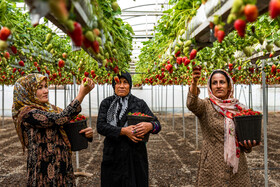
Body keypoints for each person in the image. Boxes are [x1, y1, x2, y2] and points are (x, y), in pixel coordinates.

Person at [12, 73, 94, 186]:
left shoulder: (51, 109)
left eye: (46, 86)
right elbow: (59, 119)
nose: (46, 90)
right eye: (39, 87)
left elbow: (67, 125)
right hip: (43, 171)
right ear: (27, 91)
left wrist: (86, 134)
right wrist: (81, 95)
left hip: (62, 167)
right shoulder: (26, 113)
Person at [187, 67, 259, 186]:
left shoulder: (238, 108)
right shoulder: (205, 106)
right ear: (210, 87)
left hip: (237, 167)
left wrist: (248, 145)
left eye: (222, 82)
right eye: (214, 83)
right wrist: (194, 82)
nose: (218, 86)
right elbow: (192, 104)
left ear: (229, 86)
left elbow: (244, 137)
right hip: (212, 166)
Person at [97, 71, 161, 187]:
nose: (121, 86)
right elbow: (100, 126)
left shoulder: (139, 104)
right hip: (113, 155)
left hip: (135, 155)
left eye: (125, 82)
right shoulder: (106, 103)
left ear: (130, 85)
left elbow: (157, 125)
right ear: (113, 85)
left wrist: (150, 126)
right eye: (118, 82)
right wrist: (123, 131)